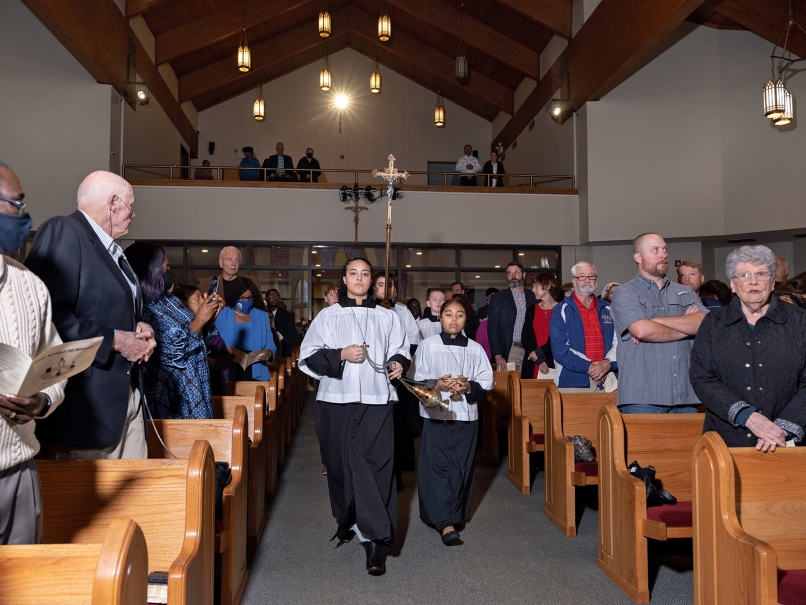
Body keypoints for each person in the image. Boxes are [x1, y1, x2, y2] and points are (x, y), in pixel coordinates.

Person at [26, 171, 156, 460]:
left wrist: (137, 328)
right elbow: (46, 317)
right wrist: (117, 340)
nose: (133, 214)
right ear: (112, 203)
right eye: (130, 206)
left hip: (124, 396)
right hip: (86, 408)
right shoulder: (65, 231)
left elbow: (102, 308)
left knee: (138, 503)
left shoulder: (111, 251)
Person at [298, 257, 409, 575]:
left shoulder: (388, 317)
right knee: (340, 466)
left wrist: (400, 362)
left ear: (372, 282)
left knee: (374, 466)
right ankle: (346, 515)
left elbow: (400, 348)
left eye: (365, 274)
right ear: (343, 280)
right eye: (352, 273)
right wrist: (341, 355)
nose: (359, 278)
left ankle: (375, 541)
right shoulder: (328, 316)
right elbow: (307, 357)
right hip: (336, 401)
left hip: (376, 402)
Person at [0, 162, 65, 544]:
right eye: (16, 205)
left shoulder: (31, 287)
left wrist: (42, 400)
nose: (24, 216)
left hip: (19, 465)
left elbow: (54, 362)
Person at [690, 245, 806, 449]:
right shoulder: (714, 323)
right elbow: (702, 378)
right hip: (726, 440)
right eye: (743, 275)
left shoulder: (800, 321)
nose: (753, 281)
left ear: (772, 281)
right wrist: (748, 417)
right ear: (733, 285)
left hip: (786, 442)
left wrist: (779, 431)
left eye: (761, 274)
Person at [415, 298, 493, 546]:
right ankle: (444, 523)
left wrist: (469, 385)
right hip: (437, 414)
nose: (453, 319)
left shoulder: (475, 348)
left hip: (465, 415)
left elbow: (486, 381)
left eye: (459, 315)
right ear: (441, 317)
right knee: (439, 467)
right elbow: (417, 381)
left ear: (465, 320)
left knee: (461, 467)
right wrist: (437, 385)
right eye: (448, 314)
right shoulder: (427, 345)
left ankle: (452, 514)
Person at [611, 232, 707, 413]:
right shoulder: (626, 292)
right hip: (643, 397)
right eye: (655, 250)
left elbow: (706, 323)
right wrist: (688, 326)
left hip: (684, 395)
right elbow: (641, 330)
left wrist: (656, 322)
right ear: (638, 257)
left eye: (664, 249)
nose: (663, 255)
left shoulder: (685, 292)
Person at [125, 242, 222, 419]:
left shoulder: (169, 300)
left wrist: (209, 319)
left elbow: (196, 338)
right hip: (175, 395)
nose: (169, 272)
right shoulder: (143, 308)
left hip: (197, 385)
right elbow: (173, 353)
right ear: (150, 272)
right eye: (165, 268)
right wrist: (200, 319)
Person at [372, 272, 421, 492]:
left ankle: (397, 471)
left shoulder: (402, 311)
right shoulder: (367, 310)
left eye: (389, 285)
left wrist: (397, 361)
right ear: (373, 288)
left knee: (398, 426)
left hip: (398, 375)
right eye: (380, 285)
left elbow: (412, 341)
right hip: (372, 375)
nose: (385, 289)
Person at [550, 263, 617, 390]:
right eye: (582, 276)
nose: (587, 280)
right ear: (573, 280)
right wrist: (591, 368)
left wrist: (607, 364)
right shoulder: (560, 310)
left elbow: (620, 342)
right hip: (574, 381)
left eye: (591, 276)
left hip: (608, 380)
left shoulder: (608, 309)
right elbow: (560, 349)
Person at [175, 285, 232, 396]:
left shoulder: (211, 328)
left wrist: (214, 362)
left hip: (213, 389)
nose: (203, 301)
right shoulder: (177, 328)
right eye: (198, 297)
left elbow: (226, 359)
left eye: (203, 297)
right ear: (183, 303)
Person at [215, 278, 276, 381]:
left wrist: (268, 352)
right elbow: (214, 342)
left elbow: (270, 344)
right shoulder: (222, 314)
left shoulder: (262, 316)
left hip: (256, 369)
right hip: (229, 368)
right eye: (242, 298)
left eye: (250, 298)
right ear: (234, 297)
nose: (246, 301)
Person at [488, 263, 536, 371]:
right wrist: (497, 354)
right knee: (509, 385)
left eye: (516, 272)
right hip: (510, 351)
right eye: (509, 273)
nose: (513, 276)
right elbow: (492, 329)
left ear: (524, 275)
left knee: (530, 385)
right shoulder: (498, 298)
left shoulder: (533, 296)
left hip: (531, 350)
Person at [522, 273, 560, 379]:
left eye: (536, 286)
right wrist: (538, 359)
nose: (533, 290)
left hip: (553, 361)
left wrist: (540, 353)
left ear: (548, 286)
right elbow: (525, 337)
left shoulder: (561, 309)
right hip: (532, 362)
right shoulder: (531, 309)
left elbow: (560, 338)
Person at [266, 288, 296, 358]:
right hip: (267, 352)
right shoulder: (262, 313)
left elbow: (292, 333)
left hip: (284, 352)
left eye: (277, 296)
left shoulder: (286, 314)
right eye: (272, 296)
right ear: (266, 298)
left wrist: (282, 339)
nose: (275, 298)